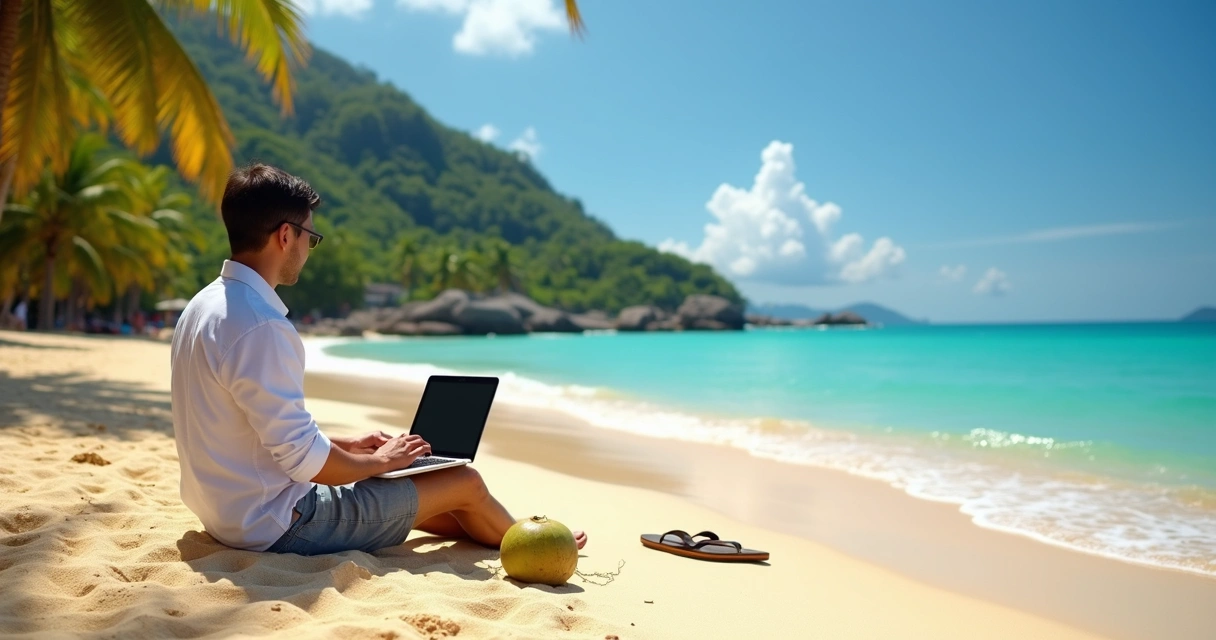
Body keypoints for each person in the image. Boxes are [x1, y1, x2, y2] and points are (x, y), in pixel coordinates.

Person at [169, 164, 587, 555]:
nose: (308, 249)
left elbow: (258, 431)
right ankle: (541, 543)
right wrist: (376, 462)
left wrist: (349, 446)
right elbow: (303, 461)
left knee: (436, 492)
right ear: (285, 236)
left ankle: (510, 529)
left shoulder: (203, 307)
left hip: (224, 511)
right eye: (309, 238)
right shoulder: (262, 326)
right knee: (465, 481)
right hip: (279, 523)